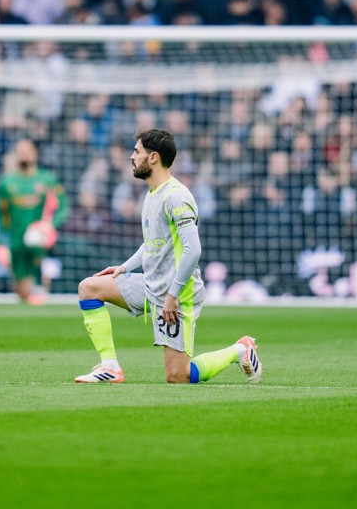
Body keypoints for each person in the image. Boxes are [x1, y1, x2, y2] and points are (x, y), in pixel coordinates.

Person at [73, 129, 262, 385]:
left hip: (177, 294)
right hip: (151, 284)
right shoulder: (152, 194)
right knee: (89, 288)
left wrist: (173, 295)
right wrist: (124, 267)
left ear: (153, 158)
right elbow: (152, 244)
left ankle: (240, 350)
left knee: (178, 377)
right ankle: (110, 367)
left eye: (136, 151)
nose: (131, 157)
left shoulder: (176, 196)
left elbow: (193, 249)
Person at [0, 139, 69, 304]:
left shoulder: (48, 180)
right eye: (20, 151)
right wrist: (0, 243)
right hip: (16, 244)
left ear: (35, 153)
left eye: (27, 150)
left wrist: (49, 226)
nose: (24, 154)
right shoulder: (6, 182)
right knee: (22, 294)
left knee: (38, 294)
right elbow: (0, 216)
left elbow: (63, 208)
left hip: (40, 242)